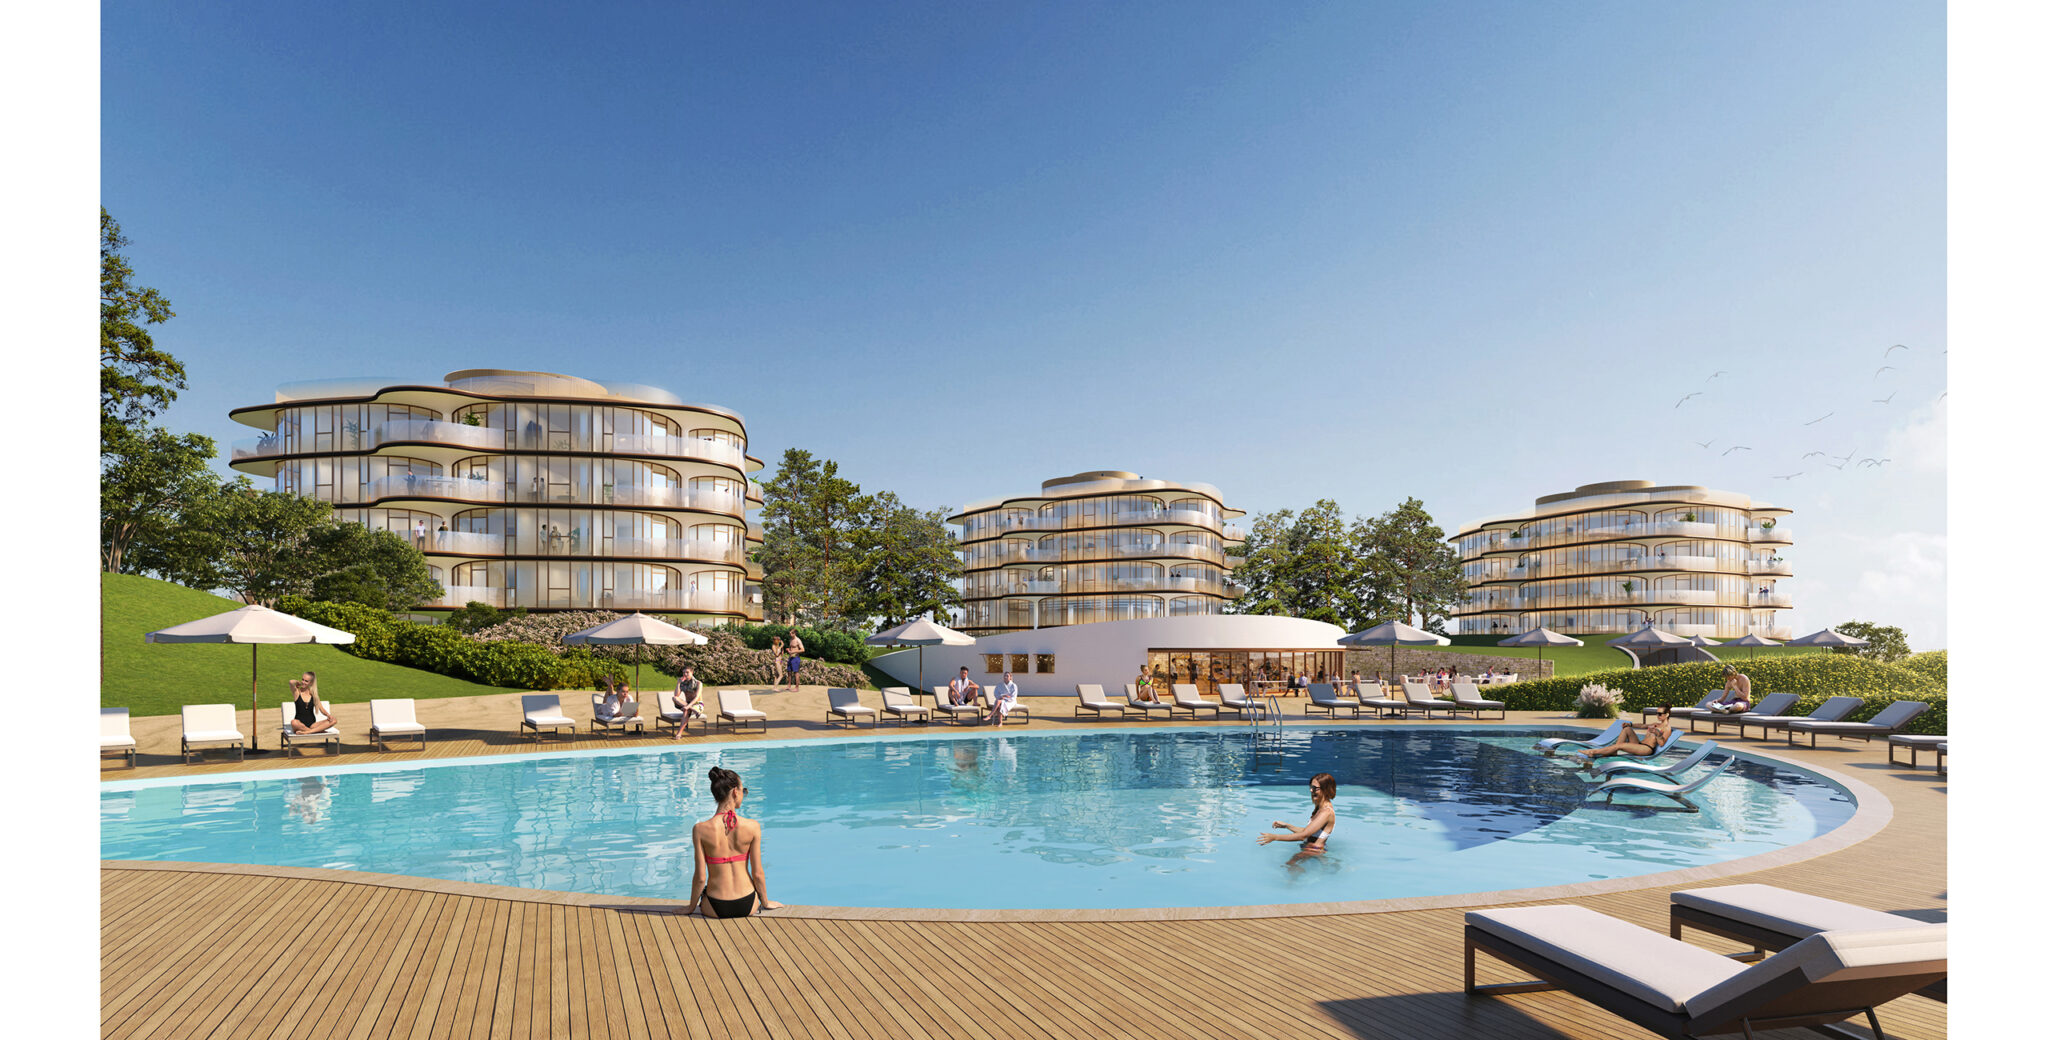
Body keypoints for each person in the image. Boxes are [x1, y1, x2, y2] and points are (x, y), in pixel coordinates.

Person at [684, 767, 781, 917]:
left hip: (715, 905)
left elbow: (700, 877)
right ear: (735, 792)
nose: (744, 794)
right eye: (744, 790)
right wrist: (766, 902)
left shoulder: (700, 829)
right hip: (747, 903)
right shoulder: (753, 826)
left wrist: (690, 908)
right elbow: (758, 873)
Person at [1259, 772, 1337, 858]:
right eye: (1311, 787)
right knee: (1291, 867)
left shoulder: (1326, 812)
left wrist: (1275, 837)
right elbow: (1308, 832)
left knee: (1290, 867)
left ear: (1325, 789)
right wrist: (1287, 826)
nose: (1311, 790)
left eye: (1315, 788)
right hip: (1311, 848)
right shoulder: (1320, 807)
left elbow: (1303, 836)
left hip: (1315, 850)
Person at [1578, 705, 1673, 761]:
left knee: (1620, 745)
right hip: (1640, 744)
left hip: (1647, 749)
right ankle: (1613, 751)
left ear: (1667, 714)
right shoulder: (1656, 724)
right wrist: (1630, 724)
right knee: (1626, 729)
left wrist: (1657, 733)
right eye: (1657, 713)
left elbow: (1662, 743)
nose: (1658, 715)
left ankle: (1593, 752)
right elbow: (1642, 726)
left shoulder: (1667, 728)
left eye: (1660, 714)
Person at [671, 666, 706, 739]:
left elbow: (696, 698)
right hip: (688, 705)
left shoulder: (698, 683)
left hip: (697, 704)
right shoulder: (683, 683)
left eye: (687, 672)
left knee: (686, 711)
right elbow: (676, 695)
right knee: (674, 698)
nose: (685, 674)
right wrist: (678, 684)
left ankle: (679, 734)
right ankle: (692, 709)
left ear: (692, 673)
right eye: (684, 673)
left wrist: (687, 706)